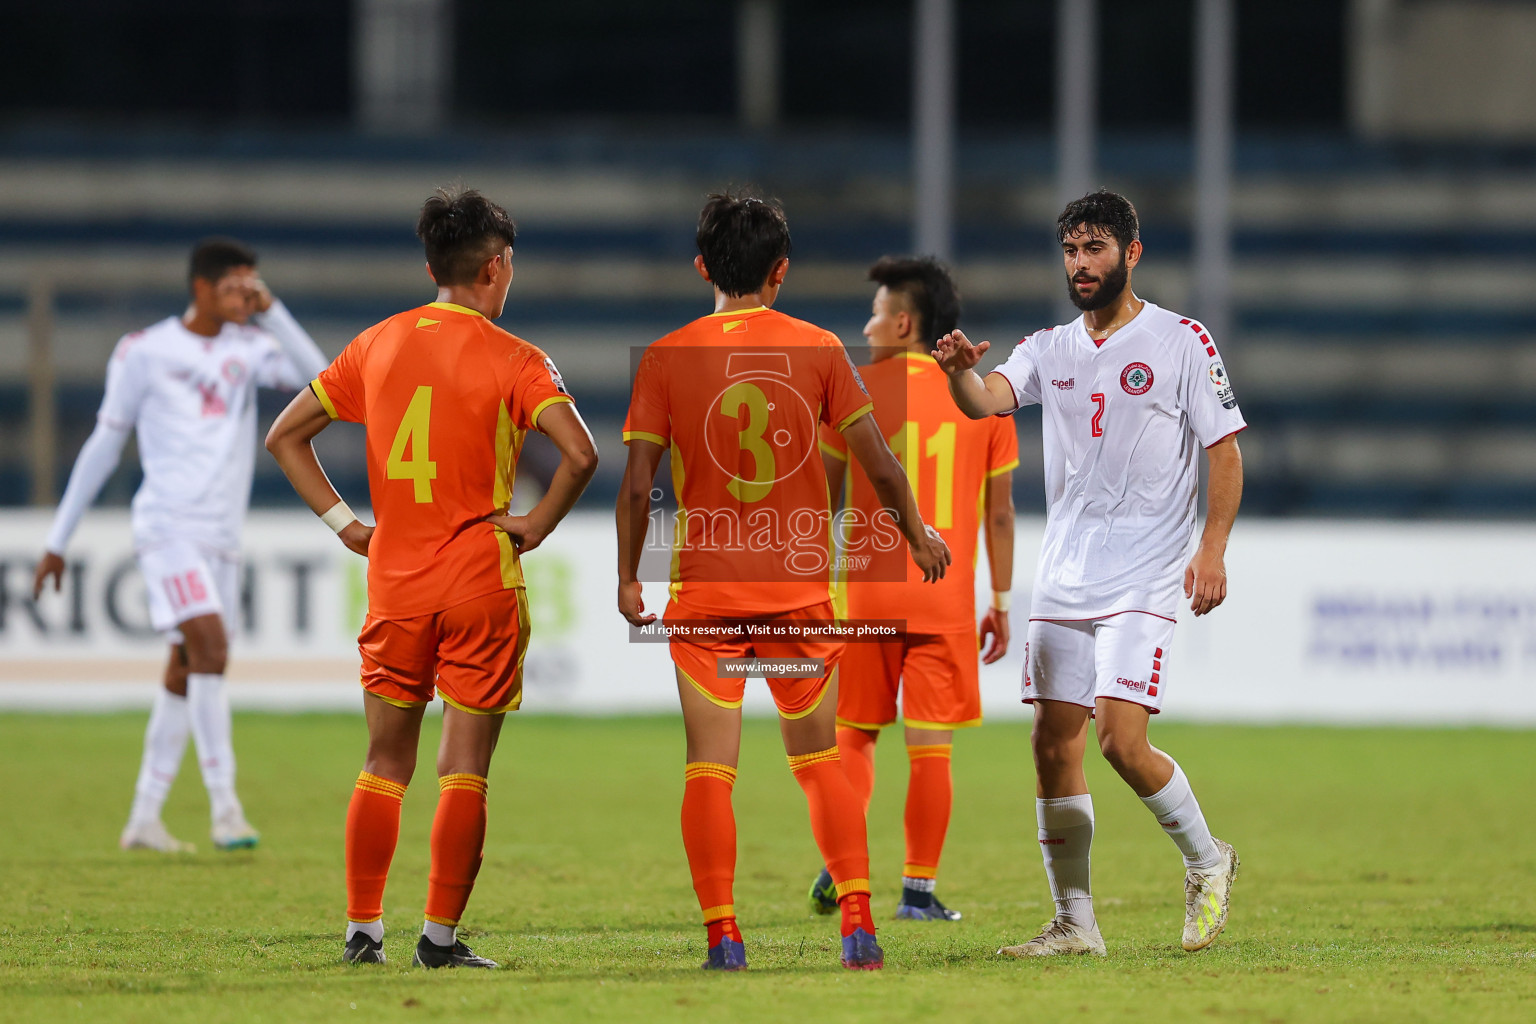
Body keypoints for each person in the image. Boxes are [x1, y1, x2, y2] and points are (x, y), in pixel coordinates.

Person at [615, 192, 951, 972]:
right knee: (819, 762)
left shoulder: (667, 356)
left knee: (710, 767)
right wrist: (917, 531)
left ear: (703, 267)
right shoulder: (821, 349)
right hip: (796, 599)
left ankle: (725, 937)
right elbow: (879, 463)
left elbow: (637, 486)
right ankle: (858, 923)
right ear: (782, 272)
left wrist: (629, 575)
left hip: (705, 602)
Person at [264, 187, 598, 969]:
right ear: (497, 266)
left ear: (430, 267)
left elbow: (284, 437)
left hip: (397, 582)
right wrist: (537, 523)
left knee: (384, 762)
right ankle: (438, 941)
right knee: (464, 768)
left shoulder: (375, 343)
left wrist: (347, 526)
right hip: (481, 581)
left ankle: (361, 930)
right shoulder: (516, 358)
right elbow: (581, 455)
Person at [934, 189, 1245, 957]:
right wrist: (956, 375)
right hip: (1065, 575)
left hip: (1143, 575)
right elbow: (987, 401)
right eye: (1071, 250)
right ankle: (1076, 922)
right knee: (1052, 744)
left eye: (1096, 248)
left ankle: (1209, 859)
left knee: (1120, 742)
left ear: (1130, 254)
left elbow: (1225, 451)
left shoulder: (1182, 340)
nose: (1081, 263)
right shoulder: (1049, 347)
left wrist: (1211, 549)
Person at [33, 237, 326, 854]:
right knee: (212, 647)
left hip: (222, 535)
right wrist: (59, 538)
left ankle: (143, 818)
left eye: (253, 285)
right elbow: (105, 444)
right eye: (235, 287)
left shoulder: (250, 348)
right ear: (200, 288)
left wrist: (271, 309)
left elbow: (322, 379)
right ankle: (226, 809)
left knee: (184, 667)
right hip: (167, 527)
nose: (245, 296)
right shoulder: (145, 351)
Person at [808, 256, 1017, 922]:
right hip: (944, 596)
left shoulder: (852, 389)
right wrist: (1002, 602)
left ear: (903, 323)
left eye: (874, 312)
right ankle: (918, 894)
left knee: (856, 738)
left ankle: (843, 867)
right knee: (930, 750)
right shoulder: (982, 397)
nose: (866, 325)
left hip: (866, 597)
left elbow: (821, 500)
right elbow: (1001, 513)